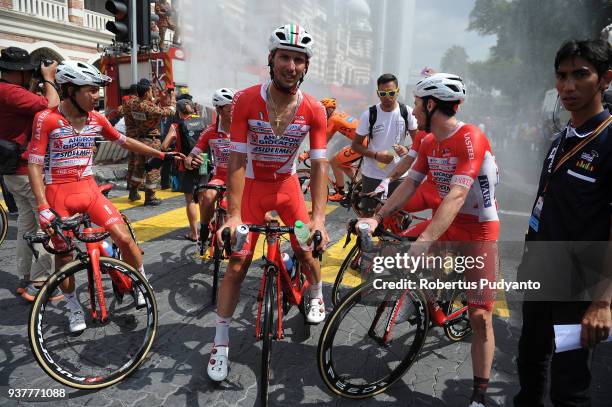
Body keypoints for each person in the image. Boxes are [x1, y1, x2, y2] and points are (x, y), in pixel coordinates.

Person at [358, 73, 500, 407]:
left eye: (418, 103)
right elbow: (409, 184)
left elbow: (456, 195)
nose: (415, 109)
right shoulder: (426, 142)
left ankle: (480, 393)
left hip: (478, 229)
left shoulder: (470, 138)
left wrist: (425, 239)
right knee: (399, 251)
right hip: (447, 222)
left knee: (480, 317)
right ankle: (425, 296)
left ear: (431, 104)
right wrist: (377, 217)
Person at [206, 23, 329, 382]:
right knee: (236, 267)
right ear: (271, 59)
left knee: (307, 248)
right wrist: (231, 216)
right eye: (285, 57)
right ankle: (221, 341)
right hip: (251, 193)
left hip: (289, 191)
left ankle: (317, 293)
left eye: (299, 60)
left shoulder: (314, 109)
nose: (291, 66)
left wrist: (318, 218)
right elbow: (237, 161)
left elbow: (320, 165)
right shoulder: (245, 100)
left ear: (306, 67)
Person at [27, 61, 183, 333]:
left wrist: (160, 155)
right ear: (70, 90)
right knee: (64, 257)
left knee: (125, 239)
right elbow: (34, 164)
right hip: (58, 193)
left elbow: (125, 142)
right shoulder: (47, 119)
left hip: (89, 189)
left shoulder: (96, 119)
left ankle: (140, 284)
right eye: (90, 91)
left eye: (97, 90)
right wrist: (42, 206)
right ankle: (73, 306)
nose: (97, 96)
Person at [514, 39, 612, 407]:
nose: (568, 86)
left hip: (578, 291)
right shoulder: (560, 138)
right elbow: (545, 207)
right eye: (561, 76)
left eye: (581, 75)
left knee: (569, 384)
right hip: (542, 276)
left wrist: (602, 303)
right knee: (529, 361)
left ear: (605, 79)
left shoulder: (609, 141)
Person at [0, 46, 60, 301]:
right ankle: (39, 282)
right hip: (26, 171)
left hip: (11, 170)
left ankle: (25, 276)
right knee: (47, 224)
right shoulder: (11, 92)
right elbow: (52, 105)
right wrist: (48, 79)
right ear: (17, 73)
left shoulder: (9, 91)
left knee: (26, 222)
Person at [350, 73, 418, 215]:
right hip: (372, 174)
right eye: (383, 93)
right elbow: (355, 146)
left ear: (398, 91)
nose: (387, 97)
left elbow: (420, 142)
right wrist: (376, 155)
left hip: (399, 174)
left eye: (391, 92)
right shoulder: (369, 114)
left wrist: (406, 148)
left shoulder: (407, 112)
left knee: (399, 216)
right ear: (377, 93)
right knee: (368, 216)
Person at [184, 88, 235, 248]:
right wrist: (192, 161)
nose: (234, 110)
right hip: (220, 176)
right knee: (207, 196)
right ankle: (204, 229)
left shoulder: (243, 129)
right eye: (230, 108)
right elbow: (190, 157)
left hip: (241, 178)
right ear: (219, 109)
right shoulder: (210, 132)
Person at [123, 78, 176, 205]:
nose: (152, 92)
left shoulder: (132, 103)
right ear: (147, 92)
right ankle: (150, 197)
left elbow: (148, 104)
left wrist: (158, 98)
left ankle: (133, 192)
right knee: (153, 169)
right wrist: (173, 98)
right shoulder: (150, 108)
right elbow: (170, 111)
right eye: (151, 91)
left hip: (139, 141)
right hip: (151, 141)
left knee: (139, 168)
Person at [161, 97, 206, 241]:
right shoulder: (203, 121)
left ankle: (194, 234)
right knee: (203, 198)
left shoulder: (176, 125)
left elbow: (164, 146)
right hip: (203, 162)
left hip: (186, 164)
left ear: (179, 112)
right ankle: (207, 229)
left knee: (190, 199)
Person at [316, 97, 361, 202]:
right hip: (364, 142)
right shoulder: (339, 114)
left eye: (323, 110)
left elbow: (324, 141)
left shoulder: (333, 119)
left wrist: (307, 153)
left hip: (361, 144)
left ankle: (340, 193)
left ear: (329, 109)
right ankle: (358, 186)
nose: (321, 113)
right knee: (344, 164)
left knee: (334, 162)